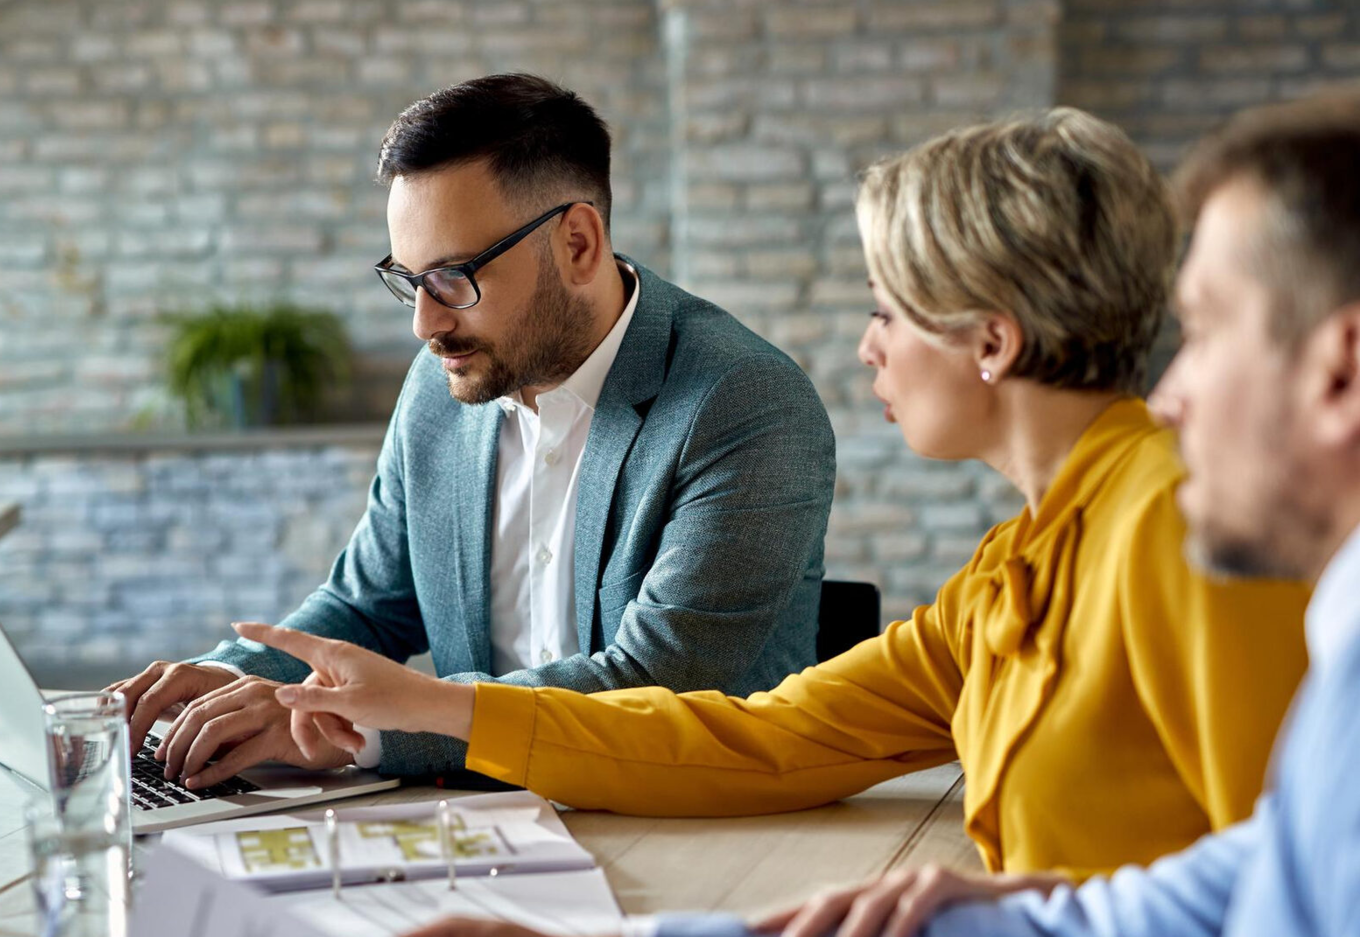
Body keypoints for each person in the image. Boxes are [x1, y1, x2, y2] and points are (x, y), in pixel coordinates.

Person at [238, 107, 1312, 885]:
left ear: (992, 340)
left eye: (892, 309)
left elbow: (1294, 883)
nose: (867, 347)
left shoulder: (1180, 520)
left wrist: (1005, 913)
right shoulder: (1017, 566)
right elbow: (764, 739)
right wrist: (432, 707)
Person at [106, 72, 837, 781]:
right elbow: (368, 605)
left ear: (578, 243)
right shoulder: (442, 384)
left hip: (693, 827)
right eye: (410, 280)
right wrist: (226, 676)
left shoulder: (744, 402)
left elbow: (655, 687)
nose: (426, 324)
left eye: (455, 276)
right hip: (484, 824)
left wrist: (352, 729)